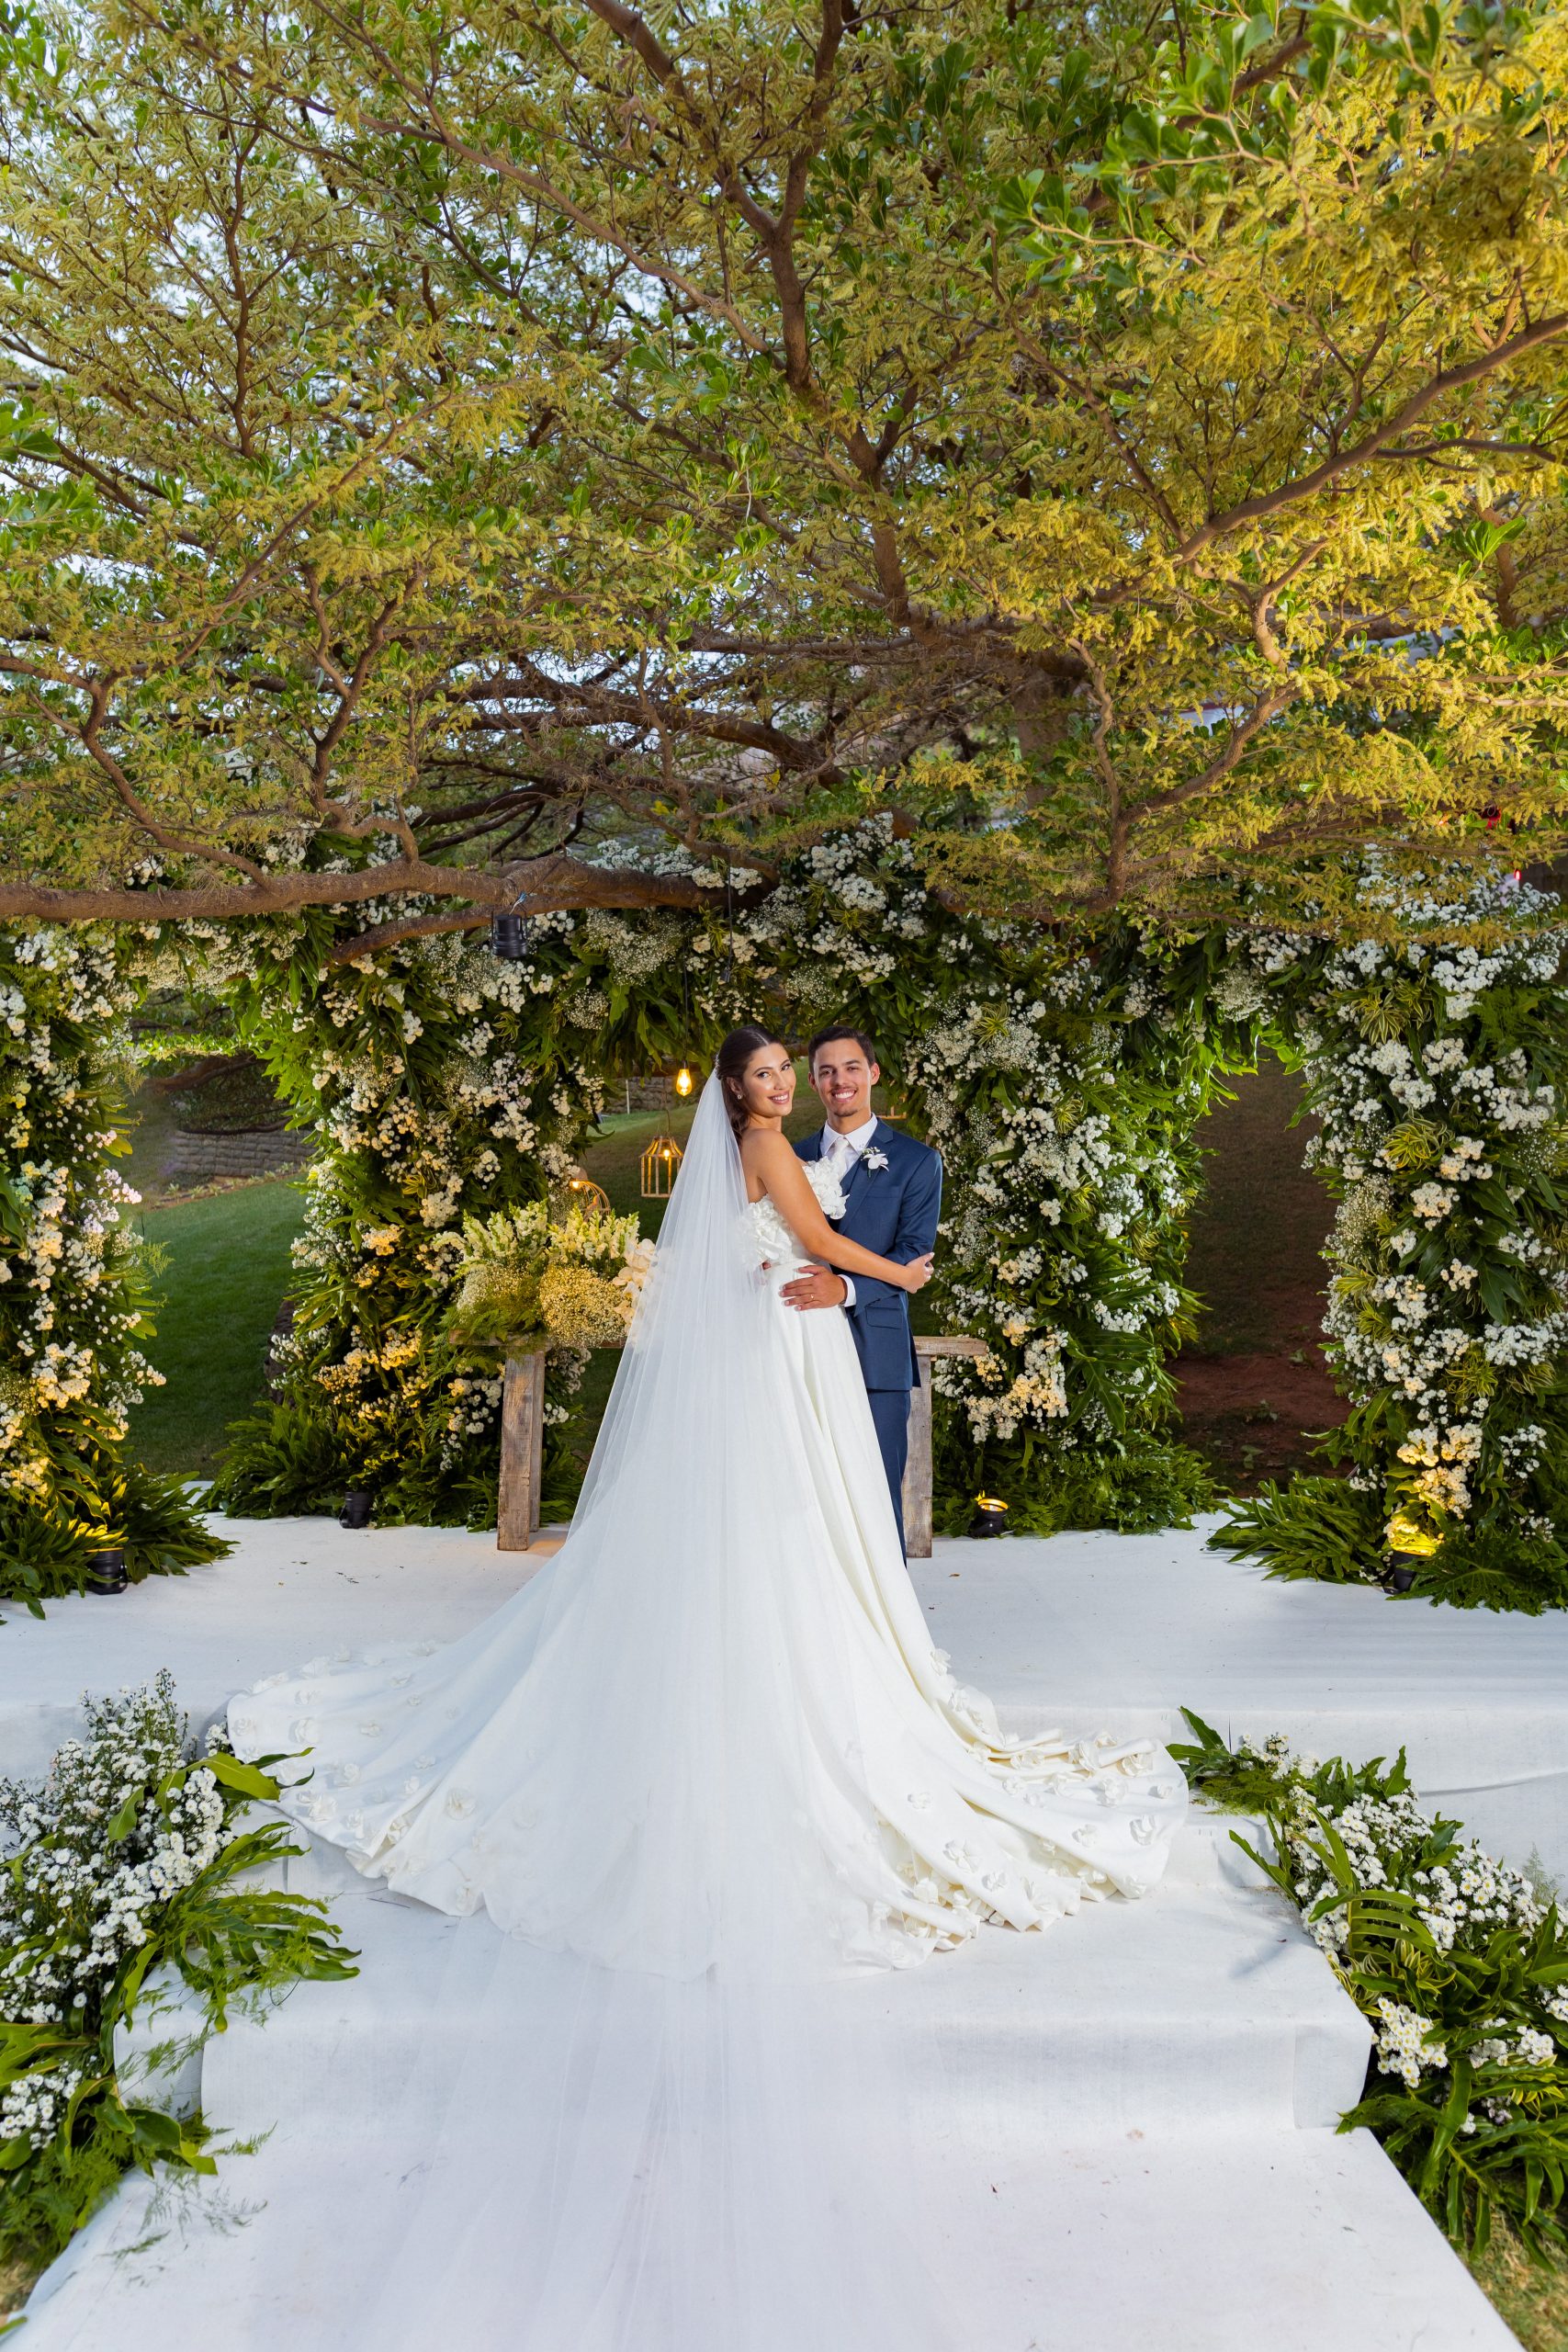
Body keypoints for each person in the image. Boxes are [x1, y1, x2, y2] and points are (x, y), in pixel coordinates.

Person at [223, 1029, 1185, 2350]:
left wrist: (843, 1279)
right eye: (774, 1072)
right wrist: (886, 1272)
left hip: (786, 1364)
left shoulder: (769, 1148)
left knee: (792, 1538)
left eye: (801, 1072)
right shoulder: (755, 1151)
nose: (789, 1087)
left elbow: (786, 1250)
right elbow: (820, 1243)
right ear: (742, 1088)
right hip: (785, 1368)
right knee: (788, 1544)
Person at [777, 1024, 941, 1549]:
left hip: (878, 1353)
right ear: (813, 1082)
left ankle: (885, 1626)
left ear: (871, 1073)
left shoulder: (917, 1161)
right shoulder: (788, 1156)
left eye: (850, 1068)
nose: (838, 1080)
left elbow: (913, 1255)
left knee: (875, 1495)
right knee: (803, 1499)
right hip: (797, 1347)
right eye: (826, 1071)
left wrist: (844, 1288)